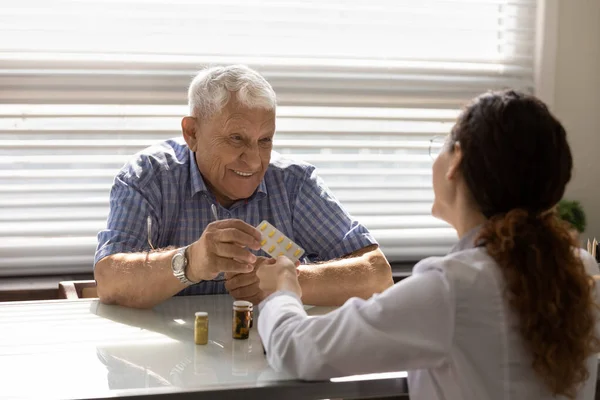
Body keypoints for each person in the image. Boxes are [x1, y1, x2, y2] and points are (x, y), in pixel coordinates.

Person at [256, 90, 600, 399]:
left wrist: (283, 288)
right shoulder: (581, 268)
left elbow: (297, 352)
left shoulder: (453, 287)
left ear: (456, 162)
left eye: (443, 145)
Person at [94, 65, 393, 309]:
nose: (253, 161)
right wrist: (191, 262)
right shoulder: (149, 177)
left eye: (265, 141)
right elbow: (108, 280)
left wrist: (291, 281)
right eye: (236, 139)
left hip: (270, 361)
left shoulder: (294, 184)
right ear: (192, 133)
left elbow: (378, 275)